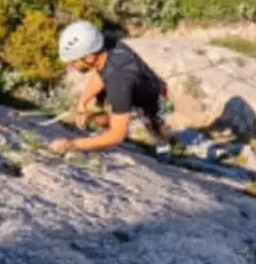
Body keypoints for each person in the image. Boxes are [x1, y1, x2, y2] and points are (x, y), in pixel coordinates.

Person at [48, 21, 172, 160]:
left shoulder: (119, 81)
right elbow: (101, 72)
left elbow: (118, 135)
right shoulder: (104, 44)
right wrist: (83, 101)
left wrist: (72, 145)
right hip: (128, 81)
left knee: (155, 127)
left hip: (148, 96)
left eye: (74, 61)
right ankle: (108, 128)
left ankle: (163, 145)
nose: (72, 65)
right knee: (92, 108)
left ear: (89, 57)